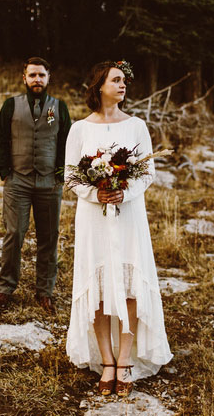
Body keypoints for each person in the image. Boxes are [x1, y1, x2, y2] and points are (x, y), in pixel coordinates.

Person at [64, 61, 172, 396]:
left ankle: (125, 361)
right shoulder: (79, 129)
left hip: (128, 215)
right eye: (116, 80)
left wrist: (124, 193)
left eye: (124, 80)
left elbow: (148, 172)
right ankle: (107, 361)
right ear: (98, 86)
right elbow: (69, 175)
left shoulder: (137, 125)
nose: (123, 85)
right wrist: (96, 192)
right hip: (93, 217)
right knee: (96, 286)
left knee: (128, 286)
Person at [0, 57, 71, 314]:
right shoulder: (11, 105)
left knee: (49, 238)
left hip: (50, 182)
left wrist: (60, 174)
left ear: (49, 78)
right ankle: (6, 289)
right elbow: (1, 138)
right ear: (24, 78)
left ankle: (44, 291)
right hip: (19, 180)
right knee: (14, 234)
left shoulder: (58, 108)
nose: (37, 79)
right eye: (32, 75)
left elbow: (65, 142)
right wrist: (5, 171)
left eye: (41, 75)